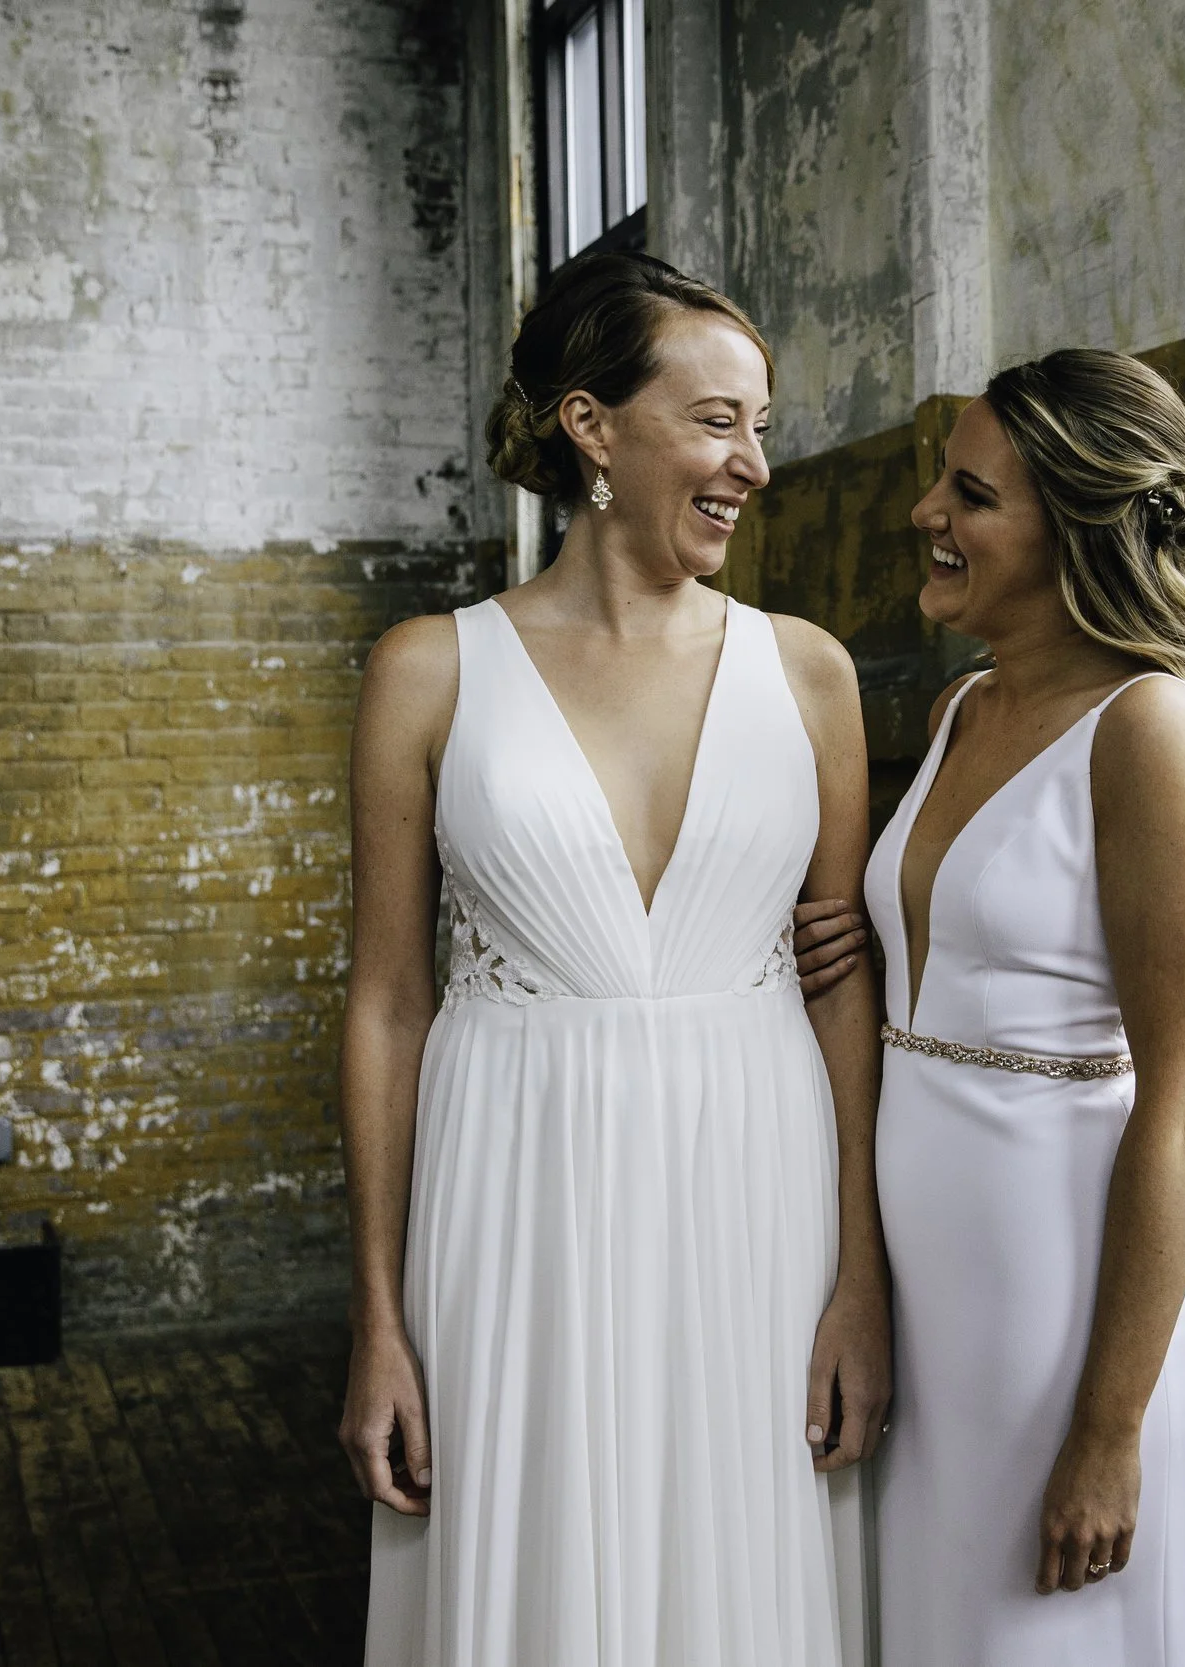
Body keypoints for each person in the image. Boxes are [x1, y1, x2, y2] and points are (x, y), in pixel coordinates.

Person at [337, 251, 890, 1667]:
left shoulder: (810, 674)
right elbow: (391, 1003)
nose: (755, 463)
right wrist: (382, 1318)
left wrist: (859, 1281)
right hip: (516, 1203)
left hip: (760, 1207)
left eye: (762, 424)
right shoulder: (429, 668)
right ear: (592, 425)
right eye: (717, 421)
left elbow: (842, 982)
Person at [864, 350, 1185, 1665]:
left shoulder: (1150, 727)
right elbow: (942, 965)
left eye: (971, 494)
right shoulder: (961, 708)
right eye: (943, 481)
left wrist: (1109, 1427)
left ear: (1076, 528)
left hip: (1062, 1294)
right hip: (927, 1284)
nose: (929, 512)